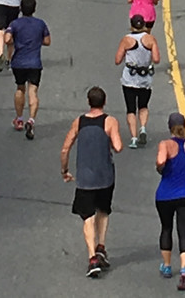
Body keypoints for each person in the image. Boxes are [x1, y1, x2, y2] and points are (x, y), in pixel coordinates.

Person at [60, 87, 123, 278]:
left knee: (88, 216)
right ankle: (101, 246)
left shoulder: (79, 122)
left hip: (85, 178)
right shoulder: (110, 121)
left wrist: (65, 170)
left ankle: (92, 258)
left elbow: (65, 148)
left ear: (88, 102)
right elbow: (119, 147)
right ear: (104, 102)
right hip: (105, 176)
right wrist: (109, 143)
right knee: (103, 210)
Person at [155, 112, 185, 291]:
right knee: (184, 233)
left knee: (166, 228)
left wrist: (162, 166)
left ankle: (167, 266)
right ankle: (184, 271)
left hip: (166, 195)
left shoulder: (165, 144)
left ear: (170, 127)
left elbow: (161, 161)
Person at [5, 0, 50, 139]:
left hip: (18, 62)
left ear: (21, 9)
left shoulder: (15, 24)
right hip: (35, 62)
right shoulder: (40, 24)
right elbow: (47, 41)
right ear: (34, 9)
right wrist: (36, 41)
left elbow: (7, 39)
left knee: (20, 88)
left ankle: (19, 119)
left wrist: (15, 40)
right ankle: (31, 119)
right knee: (33, 91)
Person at [115, 13, 160, 149]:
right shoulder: (151, 39)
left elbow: (117, 60)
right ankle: (143, 128)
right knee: (143, 106)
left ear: (131, 24)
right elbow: (157, 59)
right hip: (145, 78)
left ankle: (134, 138)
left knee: (130, 109)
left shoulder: (126, 40)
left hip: (129, 78)